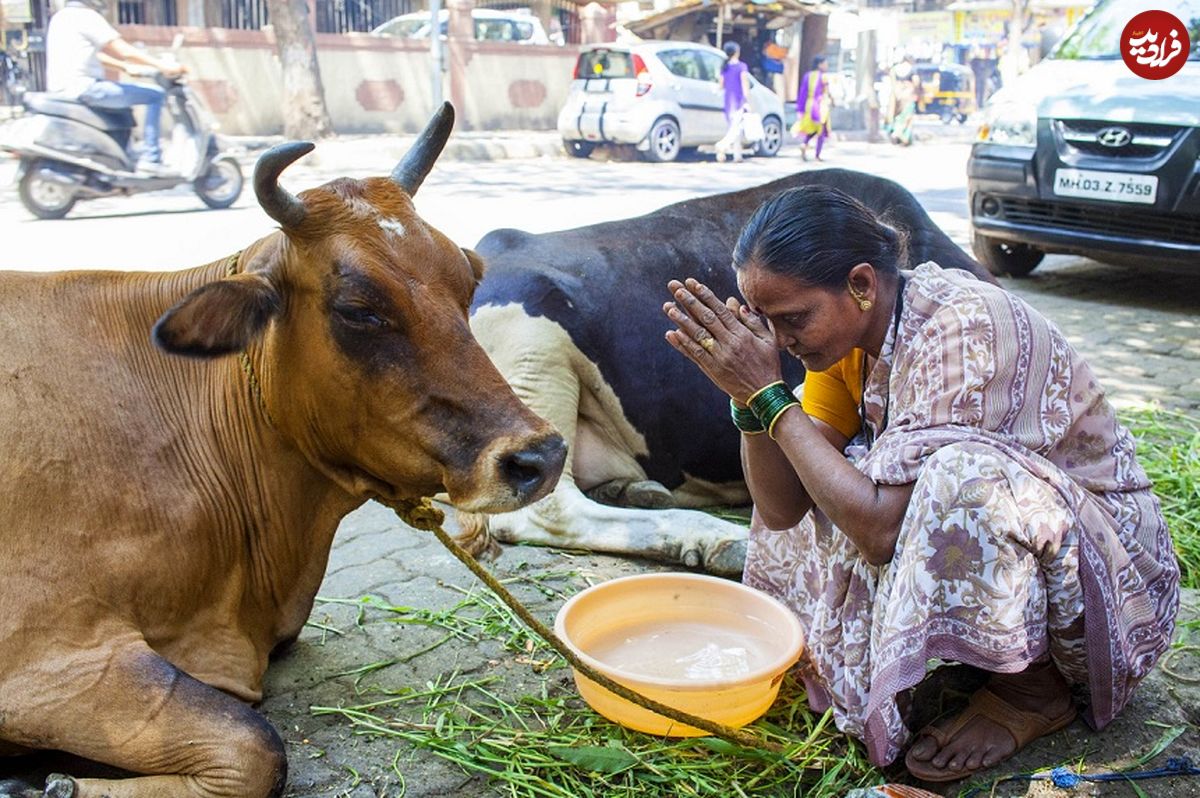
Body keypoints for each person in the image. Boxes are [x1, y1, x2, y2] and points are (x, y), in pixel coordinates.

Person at [661, 185, 1179, 782]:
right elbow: (782, 512)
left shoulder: (964, 325)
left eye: (794, 319)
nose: (779, 341)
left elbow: (879, 531)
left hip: (1111, 569)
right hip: (1042, 553)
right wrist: (748, 402)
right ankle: (983, 657)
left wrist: (771, 397)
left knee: (959, 479)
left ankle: (1036, 693)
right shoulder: (848, 344)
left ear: (861, 284)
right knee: (814, 457)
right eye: (767, 324)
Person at [46, 0, 185, 173]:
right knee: (155, 95)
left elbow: (94, 55)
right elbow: (123, 50)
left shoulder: (60, 17)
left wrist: (124, 67)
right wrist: (161, 66)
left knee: (122, 105)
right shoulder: (86, 16)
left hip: (65, 89)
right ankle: (152, 158)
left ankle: (125, 154)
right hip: (86, 88)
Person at [715, 41, 750, 163]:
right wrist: (746, 100)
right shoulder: (742, 67)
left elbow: (721, 85)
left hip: (728, 101)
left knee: (736, 128)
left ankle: (737, 156)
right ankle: (722, 145)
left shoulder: (724, 68)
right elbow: (745, 85)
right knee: (736, 129)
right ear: (736, 52)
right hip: (738, 101)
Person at [793, 55, 832, 161]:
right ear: (819, 65)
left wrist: (800, 109)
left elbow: (802, 93)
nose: (826, 65)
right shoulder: (823, 77)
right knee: (821, 131)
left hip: (809, 105)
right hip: (820, 106)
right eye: (825, 63)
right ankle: (817, 155)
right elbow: (827, 93)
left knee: (813, 129)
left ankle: (804, 144)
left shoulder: (807, 76)